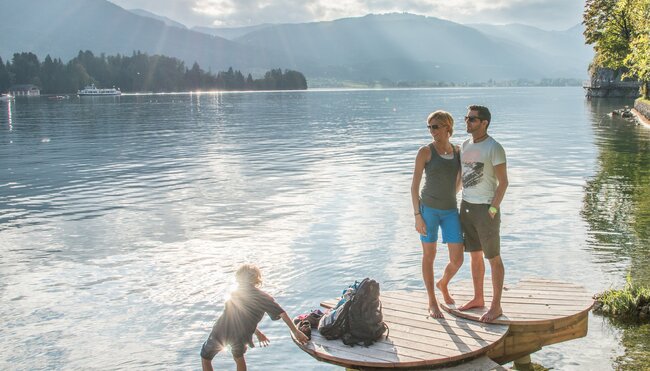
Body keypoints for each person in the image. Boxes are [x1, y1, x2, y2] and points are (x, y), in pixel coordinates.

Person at [200, 264, 309, 371]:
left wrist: (258, 333)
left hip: (221, 329)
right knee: (238, 358)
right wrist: (295, 331)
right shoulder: (262, 297)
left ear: (239, 278)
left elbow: (237, 318)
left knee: (206, 357)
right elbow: (282, 313)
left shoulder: (235, 293)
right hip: (240, 334)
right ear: (256, 279)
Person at [410, 110, 464, 318]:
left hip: (450, 211)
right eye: (429, 127)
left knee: (457, 259)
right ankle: (432, 300)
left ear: (447, 127)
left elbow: (460, 179)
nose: (432, 131)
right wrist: (417, 215)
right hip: (428, 211)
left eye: (435, 127)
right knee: (429, 256)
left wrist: (452, 193)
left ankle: (443, 283)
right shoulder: (425, 152)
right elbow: (414, 187)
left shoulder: (459, 152)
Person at [457, 105, 509, 323]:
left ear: (484, 123)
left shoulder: (494, 147)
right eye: (466, 118)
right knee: (474, 254)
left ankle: (496, 306)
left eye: (472, 119)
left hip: (485, 209)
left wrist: (493, 209)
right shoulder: (465, 145)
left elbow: (503, 183)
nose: (467, 122)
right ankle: (478, 298)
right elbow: (462, 177)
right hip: (466, 206)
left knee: (493, 258)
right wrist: (452, 199)